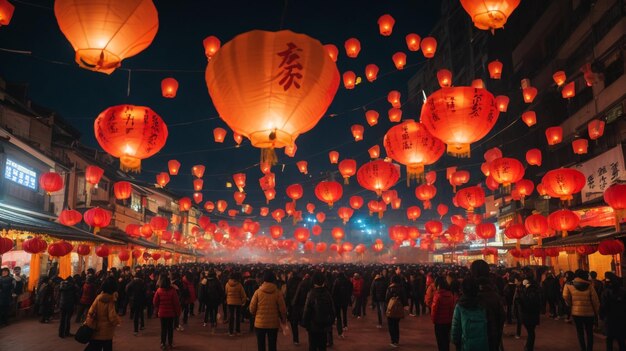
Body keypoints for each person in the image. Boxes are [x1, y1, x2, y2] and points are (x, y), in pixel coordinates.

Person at [470, 260, 505, 351]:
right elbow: (501, 318)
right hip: (492, 341)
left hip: (471, 342)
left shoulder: (467, 294)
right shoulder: (494, 293)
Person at [249, 270, 287, 351]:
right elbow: (283, 309)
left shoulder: (258, 292)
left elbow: (251, 308)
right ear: (273, 280)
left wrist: (256, 315)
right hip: (273, 323)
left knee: (261, 346)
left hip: (260, 324)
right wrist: (284, 320)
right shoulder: (277, 292)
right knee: (272, 345)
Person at [563, 269, 600, 351]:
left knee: (580, 332)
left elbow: (565, 296)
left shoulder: (568, 285)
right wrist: (596, 311)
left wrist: (571, 304)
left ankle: (583, 348)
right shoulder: (589, 286)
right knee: (589, 332)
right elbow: (595, 300)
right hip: (589, 313)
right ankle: (589, 349)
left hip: (576, 313)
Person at [451, 277, 489, 351]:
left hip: (466, 345)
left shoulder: (460, 306)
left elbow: (455, 329)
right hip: (483, 345)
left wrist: (455, 341)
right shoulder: (483, 304)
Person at [84, 276, 121, 351]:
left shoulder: (99, 297)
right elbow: (112, 317)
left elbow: (91, 312)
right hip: (107, 333)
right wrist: (118, 321)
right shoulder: (110, 300)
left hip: (96, 329)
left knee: (94, 347)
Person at [301, 271, 335, 351]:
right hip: (324, 326)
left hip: (313, 326)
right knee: (323, 346)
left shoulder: (311, 293)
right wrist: (329, 322)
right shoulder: (327, 294)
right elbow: (332, 310)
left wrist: (305, 323)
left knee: (312, 346)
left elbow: (306, 310)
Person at [154, 275, 181, 350]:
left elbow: (155, 302)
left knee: (163, 329)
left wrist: (159, 307)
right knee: (170, 329)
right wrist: (178, 312)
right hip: (171, 313)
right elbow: (176, 303)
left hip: (162, 313)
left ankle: (162, 343)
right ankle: (170, 343)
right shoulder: (173, 291)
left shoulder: (159, 290)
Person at [600, 272, 626, 351]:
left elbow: (603, 307)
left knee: (609, 339)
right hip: (621, 317)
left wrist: (601, 316)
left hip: (610, 319)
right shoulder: (623, 290)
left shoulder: (606, 292)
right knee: (621, 339)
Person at [515, 276, 542, 351]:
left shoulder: (532, 291)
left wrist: (520, 300)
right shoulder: (529, 290)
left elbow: (530, 303)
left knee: (531, 331)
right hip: (530, 314)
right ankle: (528, 345)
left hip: (530, 314)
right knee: (531, 331)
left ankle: (529, 347)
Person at [431, 276, 456, 351]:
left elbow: (434, 310)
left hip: (439, 322)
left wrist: (433, 320)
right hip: (448, 322)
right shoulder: (450, 295)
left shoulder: (437, 295)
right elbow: (452, 309)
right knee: (446, 340)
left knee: (440, 341)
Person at [385, 274, 408, 348]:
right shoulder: (401, 288)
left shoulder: (390, 288)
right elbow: (404, 298)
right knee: (396, 325)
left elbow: (387, 298)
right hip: (398, 309)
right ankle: (397, 340)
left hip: (391, 309)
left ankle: (393, 340)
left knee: (391, 325)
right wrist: (405, 305)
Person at [291, 272, 312, 345]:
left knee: (294, 323)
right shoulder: (312, 284)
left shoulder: (302, 283)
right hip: (308, 307)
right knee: (310, 326)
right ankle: (311, 342)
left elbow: (297, 296)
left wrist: (293, 304)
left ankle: (296, 340)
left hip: (299, 306)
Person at [225, 271, 247, 336]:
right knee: (238, 317)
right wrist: (243, 301)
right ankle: (238, 330)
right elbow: (243, 294)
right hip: (238, 302)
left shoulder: (227, 284)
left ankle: (230, 331)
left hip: (230, 302)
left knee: (231, 317)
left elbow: (226, 292)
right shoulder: (239, 285)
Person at [125, 271, 147, 335]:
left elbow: (127, 289)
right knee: (140, 312)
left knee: (136, 314)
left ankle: (136, 330)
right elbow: (145, 291)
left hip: (134, 300)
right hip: (141, 300)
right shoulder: (142, 282)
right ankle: (141, 326)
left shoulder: (132, 282)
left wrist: (130, 296)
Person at [331, 271, 352, 337]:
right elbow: (350, 289)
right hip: (345, 300)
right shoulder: (347, 281)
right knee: (344, 313)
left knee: (338, 316)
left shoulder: (336, 281)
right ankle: (345, 325)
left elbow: (333, 291)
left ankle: (340, 331)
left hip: (337, 301)